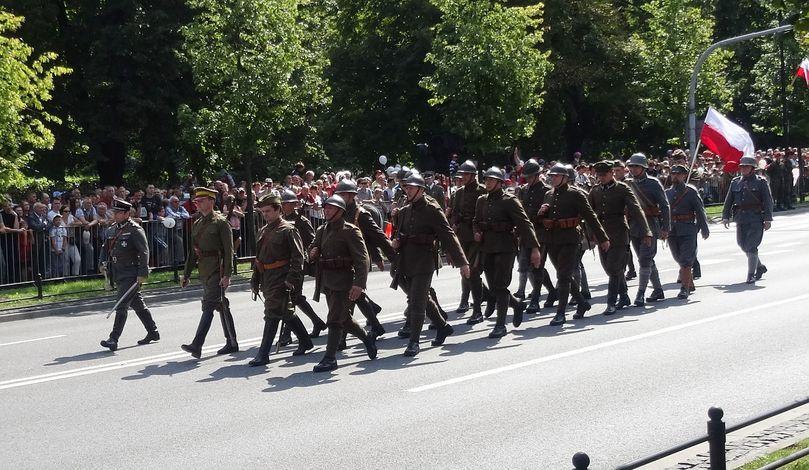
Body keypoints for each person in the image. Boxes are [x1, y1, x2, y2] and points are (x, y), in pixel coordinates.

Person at [392, 172, 470, 356]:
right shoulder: (404, 211)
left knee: (417, 300)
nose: (407, 190)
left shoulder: (432, 210)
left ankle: (414, 342)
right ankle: (442, 327)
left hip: (424, 261)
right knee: (421, 298)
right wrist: (396, 241)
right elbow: (400, 234)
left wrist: (462, 262)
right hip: (407, 261)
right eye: (406, 187)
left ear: (420, 190)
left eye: (410, 187)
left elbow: (448, 235)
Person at [309, 195, 378, 372]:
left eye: (331, 208)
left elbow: (362, 260)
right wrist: (312, 252)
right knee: (343, 318)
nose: (326, 210)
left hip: (344, 281)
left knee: (333, 319)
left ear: (340, 211)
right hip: (328, 281)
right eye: (325, 208)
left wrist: (359, 284)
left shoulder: (350, 230)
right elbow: (312, 249)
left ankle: (330, 358)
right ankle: (367, 338)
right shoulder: (322, 230)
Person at [537, 164, 609, 326]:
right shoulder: (548, 194)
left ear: (565, 178)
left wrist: (602, 238)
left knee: (562, 276)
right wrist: (541, 214)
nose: (552, 178)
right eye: (551, 176)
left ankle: (560, 313)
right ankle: (582, 303)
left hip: (570, 239)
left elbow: (590, 216)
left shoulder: (575, 194)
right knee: (565, 275)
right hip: (552, 239)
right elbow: (542, 219)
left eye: (556, 176)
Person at [473, 167, 541, 338]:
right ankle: (517, 305)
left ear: (500, 182)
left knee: (501, 286)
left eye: (491, 180)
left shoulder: (509, 200)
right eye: (486, 179)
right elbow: (476, 221)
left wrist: (534, 248)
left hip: (505, 247)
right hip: (487, 247)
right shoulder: (481, 200)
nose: (487, 182)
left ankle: (500, 324)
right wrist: (477, 232)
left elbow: (525, 224)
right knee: (495, 288)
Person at [248, 194, 313, 366]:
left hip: (282, 277)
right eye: (262, 212)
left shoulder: (289, 229)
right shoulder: (264, 230)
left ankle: (263, 354)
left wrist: (291, 279)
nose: (265, 215)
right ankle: (306, 341)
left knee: (272, 313)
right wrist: (255, 280)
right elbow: (259, 258)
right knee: (285, 312)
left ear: (278, 210)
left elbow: (298, 257)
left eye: (268, 211)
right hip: (267, 278)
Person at [181, 187, 238, 359]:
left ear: (211, 201)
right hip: (205, 270)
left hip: (217, 269)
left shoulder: (221, 222)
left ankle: (197, 345)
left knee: (208, 305)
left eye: (201, 200)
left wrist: (227, 274)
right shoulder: (198, 223)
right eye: (196, 201)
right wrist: (187, 274)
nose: (197, 203)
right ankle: (232, 342)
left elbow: (229, 251)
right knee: (221, 305)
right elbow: (193, 252)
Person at [587, 161, 650, 315]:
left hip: (619, 233)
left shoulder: (622, 189)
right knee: (609, 268)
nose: (600, 178)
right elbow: (589, 214)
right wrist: (591, 234)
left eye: (603, 174)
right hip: (602, 234)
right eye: (598, 175)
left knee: (615, 268)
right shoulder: (595, 191)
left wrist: (646, 230)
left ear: (611, 173)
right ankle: (623, 296)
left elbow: (636, 209)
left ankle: (611, 302)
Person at [335, 179, 394, 338]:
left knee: (350, 297)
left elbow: (376, 237)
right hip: (345, 261)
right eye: (338, 193)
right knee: (356, 296)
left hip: (358, 261)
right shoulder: (340, 212)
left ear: (351, 195)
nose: (339, 197)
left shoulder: (360, 214)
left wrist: (392, 257)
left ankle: (341, 338)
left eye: (342, 194)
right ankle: (375, 325)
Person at [100, 199, 159, 351]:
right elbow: (104, 247)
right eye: (115, 212)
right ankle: (153, 332)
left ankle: (113, 339)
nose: (116, 215)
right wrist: (102, 263)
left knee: (121, 304)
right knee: (137, 303)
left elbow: (144, 251)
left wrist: (142, 273)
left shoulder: (135, 229)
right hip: (118, 272)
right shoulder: (113, 229)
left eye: (119, 213)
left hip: (131, 273)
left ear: (127, 214)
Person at [277, 189, 327, 342]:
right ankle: (317, 322)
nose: (284, 206)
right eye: (283, 204)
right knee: (295, 298)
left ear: (294, 205)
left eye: (287, 204)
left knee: (290, 298)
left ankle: (286, 335)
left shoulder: (302, 221)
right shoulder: (281, 220)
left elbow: (314, 241)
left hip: (298, 264)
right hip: (285, 264)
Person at [626, 153, 671, 306]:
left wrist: (666, 227)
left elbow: (665, 206)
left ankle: (641, 293)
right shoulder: (627, 183)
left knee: (645, 259)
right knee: (645, 259)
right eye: (631, 166)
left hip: (650, 225)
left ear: (643, 167)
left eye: (636, 166)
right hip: (633, 226)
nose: (633, 169)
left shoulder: (653, 183)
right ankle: (658, 289)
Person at [721, 156, 774, 284]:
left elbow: (768, 201)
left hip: (755, 217)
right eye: (742, 166)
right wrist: (725, 216)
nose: (743, 169)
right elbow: (729, 200)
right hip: (740, 218)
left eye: (746, 166)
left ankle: (751, 274)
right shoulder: (735, 182)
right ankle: (759, 266)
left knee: (751, 246)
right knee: (742, 244)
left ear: (752, 168)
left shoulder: (761, 182)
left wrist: (768, 219)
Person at [515, 159, 558, 312]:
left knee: (537, 265)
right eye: (526, 177)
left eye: (530, 176)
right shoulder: (523, 190)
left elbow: (549, 212)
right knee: (530, 267)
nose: (528, 180)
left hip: (541, 232)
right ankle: (552, 292)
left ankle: (535, 299)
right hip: (527, 232)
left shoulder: (547, 190)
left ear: (538, 175)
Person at [450, 160, 489, 323]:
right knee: (466, 273)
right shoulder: (458, 193)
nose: (463, 177)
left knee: (472, 273)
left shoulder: (483, 191)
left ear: (473, 175)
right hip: (463, 237)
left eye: (466, 174)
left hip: (477, 237)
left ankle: (477, 310)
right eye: (462, 174)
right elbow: (454, 212)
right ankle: (487, 297)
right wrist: (454, 220)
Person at [666, 164, 710, 298]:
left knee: (686, 259)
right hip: (672, 230)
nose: (675, 176)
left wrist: (704, 228)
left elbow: (700, 210)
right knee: (678, 257)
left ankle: (684, 288)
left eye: (678, 174)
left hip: (688, 229)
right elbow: (663, 212)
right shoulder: (667, 192)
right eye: (673, 174)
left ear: (684, 176)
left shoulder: (691, 191)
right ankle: (689, 283)